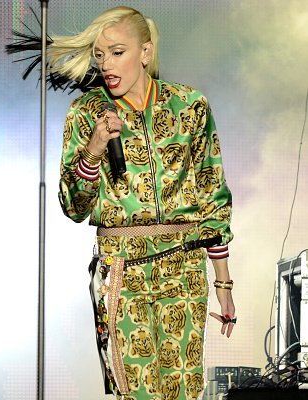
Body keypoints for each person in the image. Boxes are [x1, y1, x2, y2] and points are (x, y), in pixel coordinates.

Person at [47, 6, 235, 400]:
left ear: (146, 53)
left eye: (117, 52)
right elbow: (73, 206)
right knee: (135, 394)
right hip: (121, 268)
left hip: (183, 267)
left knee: (182, 392)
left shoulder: (189, 106)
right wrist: (94, 151)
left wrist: (223, 283)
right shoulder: (86, 112)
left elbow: (211, 193)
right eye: (99, 55)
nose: (106, 64)